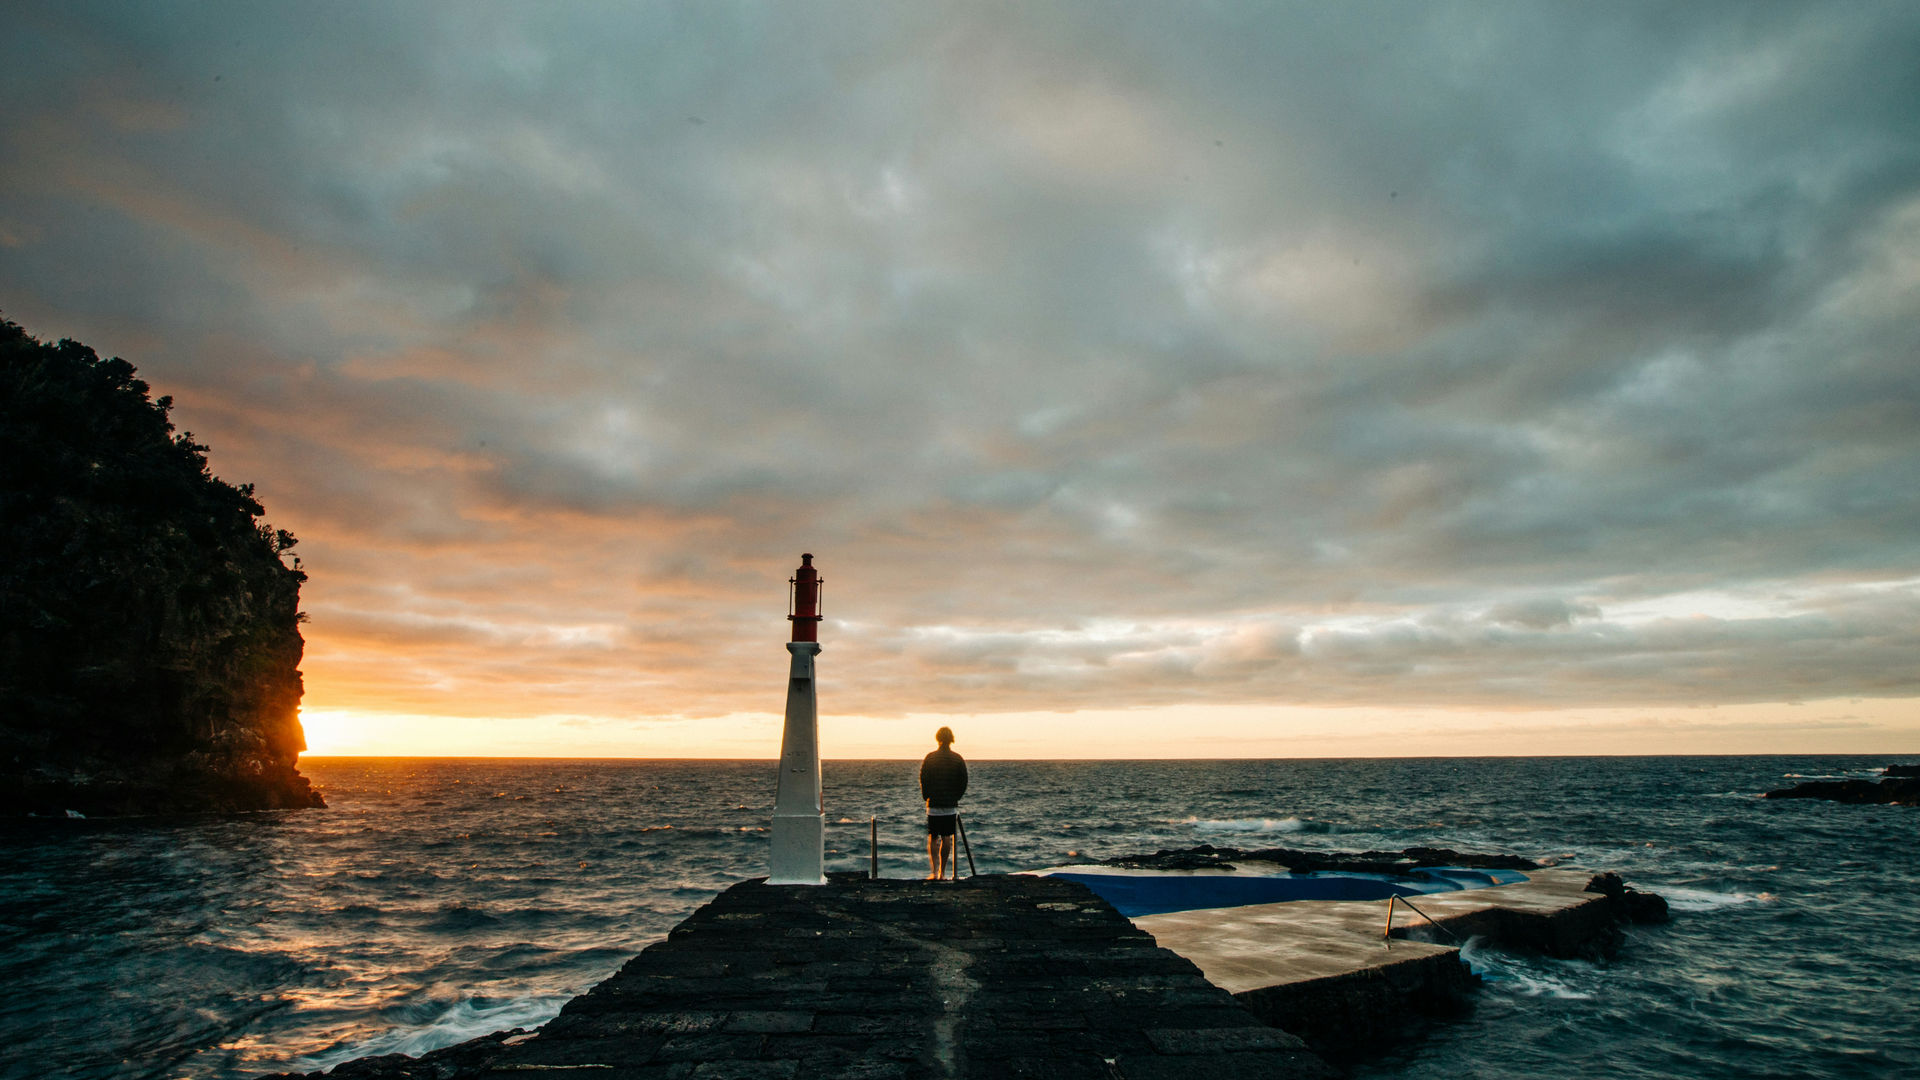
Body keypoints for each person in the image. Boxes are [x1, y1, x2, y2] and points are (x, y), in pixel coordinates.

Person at [919, 726, 968, 880]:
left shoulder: (930, 757)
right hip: (950, 805)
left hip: (934, 804)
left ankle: (933, 872)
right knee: (947, 837)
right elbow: (963, 781)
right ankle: (943, 873)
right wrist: (956, 797)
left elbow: (923, 778)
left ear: (938, 738)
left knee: (933, 837)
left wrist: (926, 796)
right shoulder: (957, 758)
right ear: (951, 739)